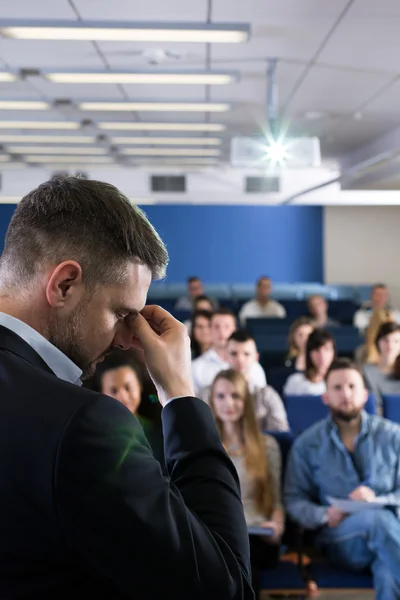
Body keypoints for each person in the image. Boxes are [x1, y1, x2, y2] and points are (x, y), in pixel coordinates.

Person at [0, 176, 253, 599]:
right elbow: (225, 588)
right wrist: (180, 392)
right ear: (64, 284)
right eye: (122, 313)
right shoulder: (82, 426)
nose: (125, 340)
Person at [284, 358, 400, 600]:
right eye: (337, 388)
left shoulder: (392, 436)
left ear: (365, 394)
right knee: (378, 522)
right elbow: (294, 499)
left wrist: (378, 499)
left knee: (388, 571)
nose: (345, 394)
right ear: (325, 397)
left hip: (390, 535)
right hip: (340, 539)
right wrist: (326, 514)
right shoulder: (308, 443)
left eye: (352, 386)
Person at [209, 369, 284, 596]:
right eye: (220, 396)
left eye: (235, 396)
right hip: (217, 536)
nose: (228, 403)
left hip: (257, 534)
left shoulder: (267, 446)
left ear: (246, 401)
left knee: (241, 561)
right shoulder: (205, 447)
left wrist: (277, 528)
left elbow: (276, 500)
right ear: (212, 401)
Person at [96, 350, 164, 464]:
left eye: (128, 388)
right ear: (102, 393)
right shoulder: (97, 436)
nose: (123, 397)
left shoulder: (157, 431)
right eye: (113, 391)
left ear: (139, 386)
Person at [226, 330, 289, 431]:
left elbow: (279, 434)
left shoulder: (268, 396)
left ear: (256, 357)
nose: (240, 359)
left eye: (246, 354)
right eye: (234, 354)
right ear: (226, 356)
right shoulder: (209, 393)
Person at [283, 329, 335, 396]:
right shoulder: (295, 381)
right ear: (309, 353)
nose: (322, 355)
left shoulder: (341, 381)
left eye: (326, 349)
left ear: (333, 352)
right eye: (316, 350)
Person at [363, 322, 400, 408]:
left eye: (396, 341)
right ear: (378, 342)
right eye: (386, 340)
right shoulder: (366, 371)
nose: (390, 345)